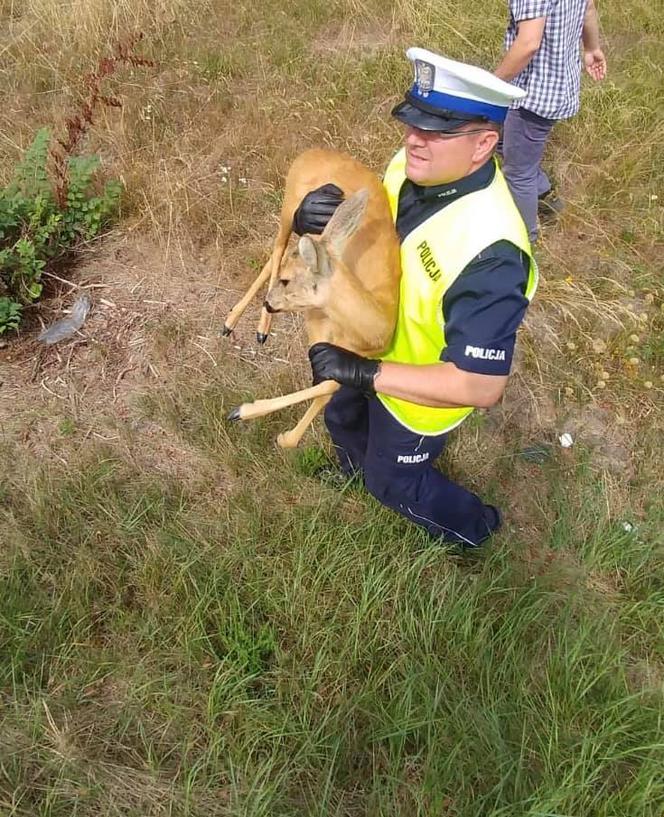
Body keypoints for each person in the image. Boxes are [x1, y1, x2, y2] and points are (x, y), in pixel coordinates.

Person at [294, 47, 539, 548]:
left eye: (436, 130)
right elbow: (384, 234)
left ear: (484, 143)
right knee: (342, 420)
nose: (412, 139)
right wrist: (330, 221)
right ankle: (351, 469)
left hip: (416, 398)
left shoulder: (492, 254)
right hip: (362, 342)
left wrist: (367, 375)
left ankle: (475, 531)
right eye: (412, 123)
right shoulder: (413, 164)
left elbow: (479, 387)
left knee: (396, 483)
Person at [495, 0, 607, 241]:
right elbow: (588, 7)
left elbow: (528, 44)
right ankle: (546, 196)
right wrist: (591, 48)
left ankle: (523, 242)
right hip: (557, 87)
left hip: (531, 94)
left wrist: (491, 86)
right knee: (503, 141)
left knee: (518, 173)